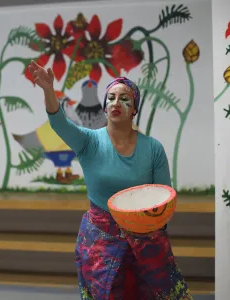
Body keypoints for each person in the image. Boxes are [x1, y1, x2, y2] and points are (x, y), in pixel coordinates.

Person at [28, 61, 192, 299]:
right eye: (111, 98)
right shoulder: (88, 141)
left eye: (125, 98)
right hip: (99, 240)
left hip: (147, 240)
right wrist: (48, 90)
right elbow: (58, 123)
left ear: (134, 108)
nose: (116, 103)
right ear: (104, 107)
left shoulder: (153, 148)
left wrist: (144, 230)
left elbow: (164, 199)